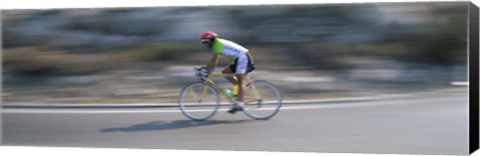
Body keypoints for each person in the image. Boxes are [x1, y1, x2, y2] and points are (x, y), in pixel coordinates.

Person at [200, 31, 255, 114]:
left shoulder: (217, 44)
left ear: (209, 40)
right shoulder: (216, 44)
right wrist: (206, 69)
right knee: (225, 73)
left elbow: (215, 61)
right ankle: (240, 91)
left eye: (204, 42)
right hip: (239, 59)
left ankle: (240, 103)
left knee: (240, 79)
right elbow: (213, 61)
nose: (204, 45)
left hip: (243, 58)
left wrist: (207, 71)